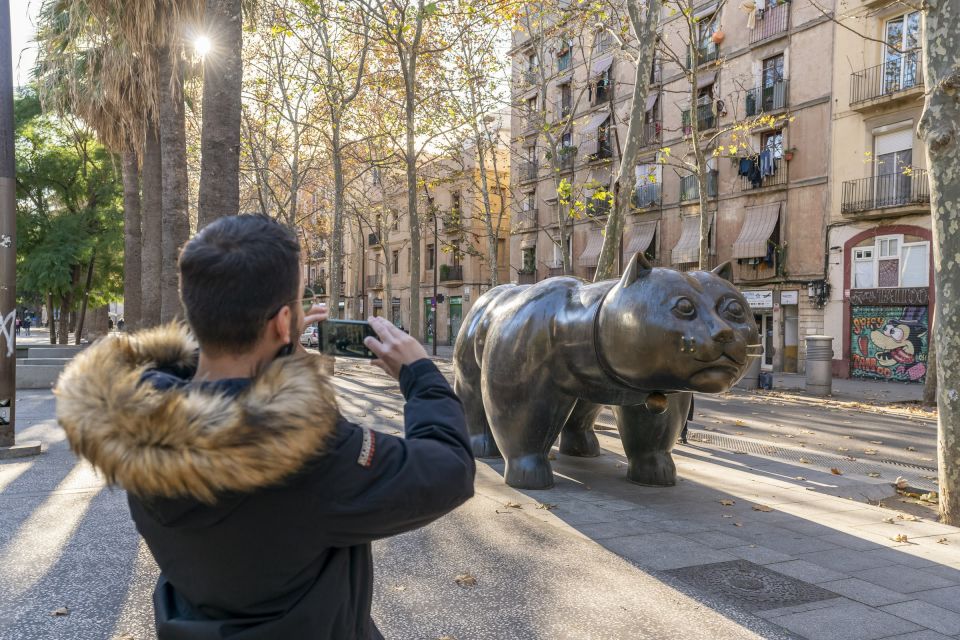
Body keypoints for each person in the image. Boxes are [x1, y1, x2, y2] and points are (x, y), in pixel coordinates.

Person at [54, 215, 475, 639]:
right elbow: (448, 468)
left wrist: (272, 355)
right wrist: (420, 374)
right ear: (280, 322)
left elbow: (219, 394)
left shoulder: (134, 420)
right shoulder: (308, 453)